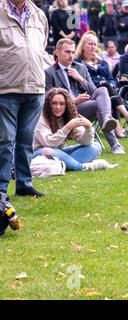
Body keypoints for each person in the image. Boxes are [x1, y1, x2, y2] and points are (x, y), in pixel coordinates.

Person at [0, 0, 49, 197]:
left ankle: (24, 183)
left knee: (26, 140)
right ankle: (2, 188)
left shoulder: (38, 14)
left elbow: (41, 46)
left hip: (35, 86)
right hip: (6, 87)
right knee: (5, 141)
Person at [45, 38, 125, 155]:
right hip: (65, 111)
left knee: (102, 89)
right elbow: (49, 101)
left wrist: (80, 79)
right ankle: (115, 144)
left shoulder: (80, 68)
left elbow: (93, 91)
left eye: (73, 52)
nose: (71, 55)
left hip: (85, 107)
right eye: (67, 52)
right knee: (99, 106)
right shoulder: (49, 72)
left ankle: (107, 119)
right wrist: (73, 101)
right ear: (57, 52)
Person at [32, 88, 117, 171]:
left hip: (59, 153)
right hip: (39, 153)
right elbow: (48, 143)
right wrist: (67, 127)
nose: (58, 107)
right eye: (54, 103)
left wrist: (88, 128)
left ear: (67, 105)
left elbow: (86, 142)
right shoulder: (41, 117)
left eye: (62, 104)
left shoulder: (68, 116)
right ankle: (81, 167)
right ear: (48, 104)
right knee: (48, 151)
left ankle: (65, 165)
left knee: (95, 146)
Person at [75, 33, 128, 139]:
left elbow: (111, 79)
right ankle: (126, 117)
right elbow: (81, 82)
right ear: (83, 45)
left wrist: (111, 84)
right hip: (89, 92)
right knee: (106, 88)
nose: (93, 47)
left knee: (107, 88)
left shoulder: (102, 62)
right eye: (90, 44)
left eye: (95, 44)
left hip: (107, 90)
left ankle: (117, 127)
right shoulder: (77, 63)